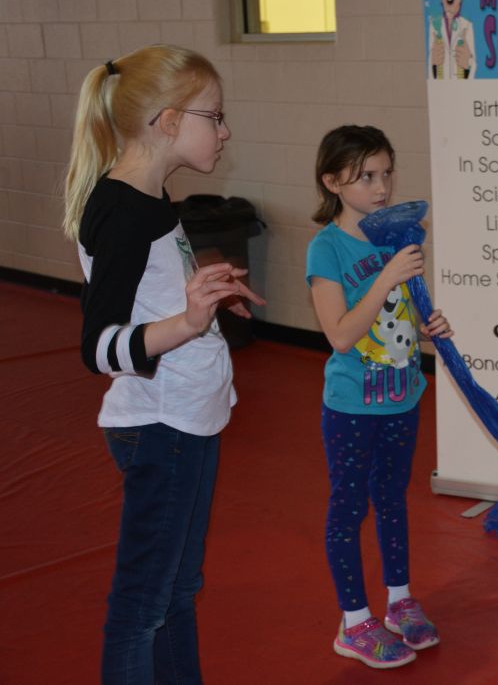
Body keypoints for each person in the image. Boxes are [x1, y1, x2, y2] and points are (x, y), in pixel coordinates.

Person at [63, 45, 264, 684]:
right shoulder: (123, 210)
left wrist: (204, 290)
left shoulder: (150, 197)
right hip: (161, 426)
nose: (224, 131)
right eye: (215, 116)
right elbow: (99, 347)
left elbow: (145, 294)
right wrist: (189, 320)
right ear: (170, 121)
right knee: (143, 606)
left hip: (184, 419)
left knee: (177, 591)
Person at [306, 125, 454, 670]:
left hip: (402, 398)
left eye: (387, 173)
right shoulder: (326, 248)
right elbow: (342, 335)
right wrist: (387, 276)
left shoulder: (396, 237)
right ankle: (354, 622)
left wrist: (429, 328)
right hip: (352, 406)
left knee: (393, 499)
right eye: (366, 176)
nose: (382, 187)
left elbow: (401, 321)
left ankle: (399, 600)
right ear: (332, 182)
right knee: (348, 509)